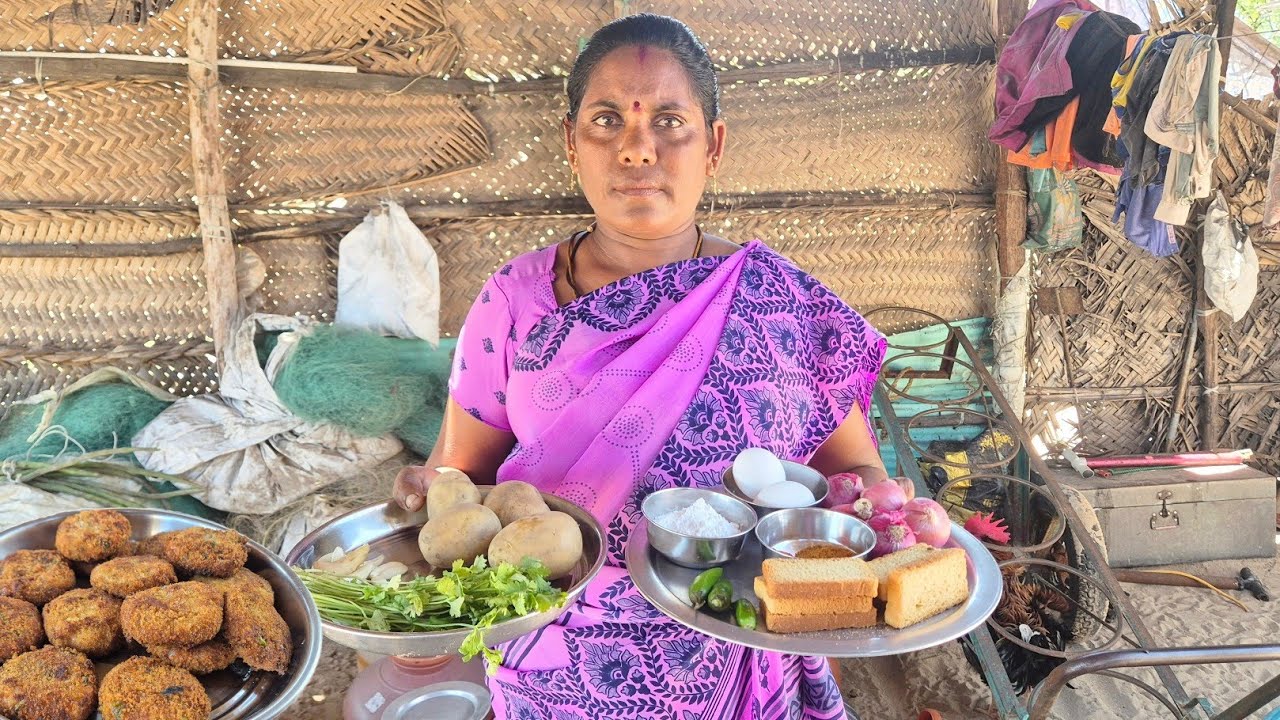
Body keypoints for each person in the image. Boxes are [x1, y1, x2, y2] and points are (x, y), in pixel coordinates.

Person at [394, 13, 888, 719]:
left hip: (744, 650)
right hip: (557, 671)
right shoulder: (514, 304)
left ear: (713, 145)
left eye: (669, 121)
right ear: (571, 142)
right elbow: (461, 477)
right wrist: (428, 487)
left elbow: (859, 476)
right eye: (605, 121)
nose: (636, 149)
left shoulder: (779, 301)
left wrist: (884, 526)